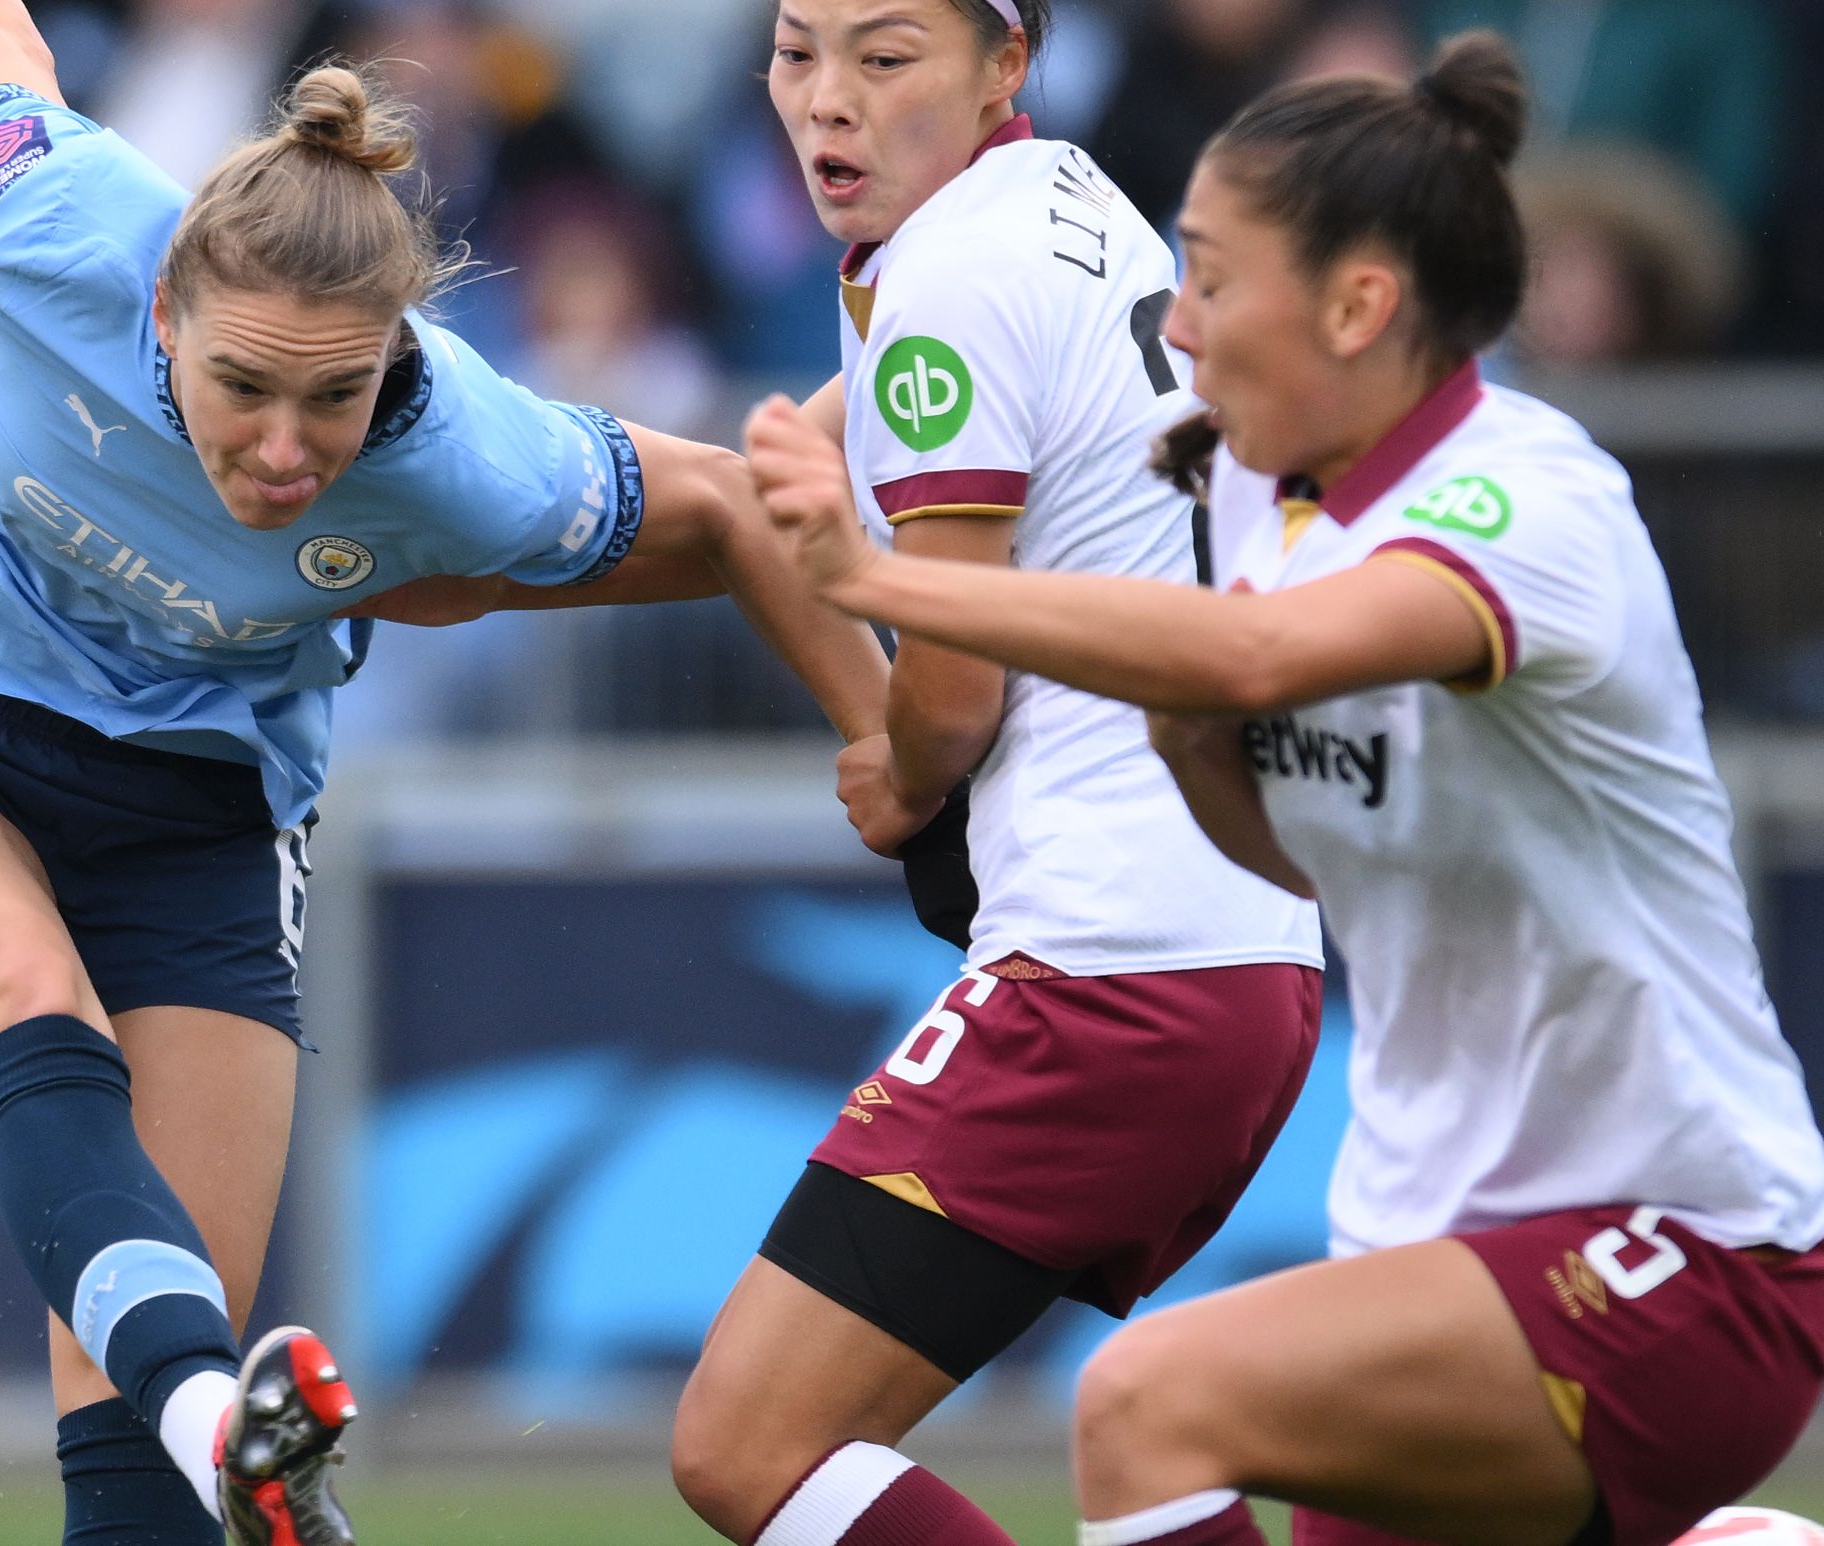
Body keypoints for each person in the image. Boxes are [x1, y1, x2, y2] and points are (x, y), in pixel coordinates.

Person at [0, 5, 893, 1545]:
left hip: (204, 824)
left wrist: (891, 738)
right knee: (22, 992)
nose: (288, 449)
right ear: (163, 310)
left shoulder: (464, 446)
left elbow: (741, 508)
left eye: (334, 398)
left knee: (140, 1500)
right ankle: (230, 1428)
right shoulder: (51, 219)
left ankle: (206, 1445)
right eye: (244, 386)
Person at [745, 33, 1824, 1546]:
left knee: (1148, 1403)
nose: (1177, 323)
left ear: (1359, 306)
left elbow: (1257, 655)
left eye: (1209, 278)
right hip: (1438, 1231)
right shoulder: (1265, 492)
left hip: (1687, 1245)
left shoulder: (1525, 501)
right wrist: (1189, 736)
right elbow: (1289, 841)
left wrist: (877, 581)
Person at [365, 4, 1322, 1543]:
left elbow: (952, 685)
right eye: (798, 51)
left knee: (751, 1443)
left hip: (1112, 969)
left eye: (883, 59)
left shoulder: (951, 277)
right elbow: (754, 498)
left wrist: (898, 760)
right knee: (1122, 1438)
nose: (825, 100)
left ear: (1006, 65)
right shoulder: (1056, 205)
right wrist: (462, 562)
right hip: (1224, 960)